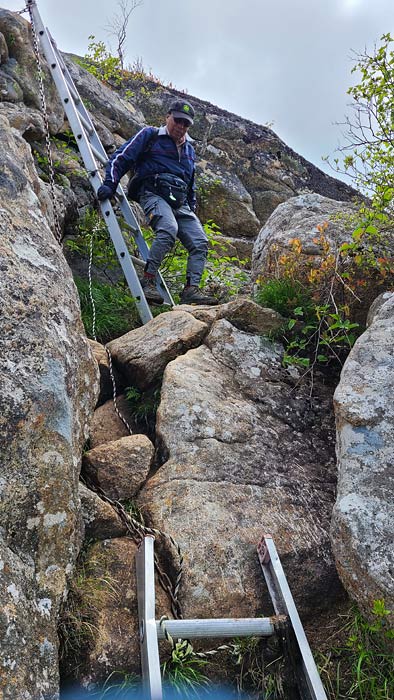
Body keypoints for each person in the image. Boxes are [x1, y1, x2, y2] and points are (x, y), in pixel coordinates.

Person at [97, 99, 218, 306]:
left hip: (180, 202)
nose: (181, 127)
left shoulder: (189, 150)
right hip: (153, 192)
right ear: (168, 117)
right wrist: (110, 183)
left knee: (200, 242)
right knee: (168, 228)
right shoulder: (150, 135)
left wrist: (192, 207)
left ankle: (191, 290)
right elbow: (122, 157)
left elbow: (191, 183)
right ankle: (148, 280)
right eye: (178, 121)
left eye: (186, 124)